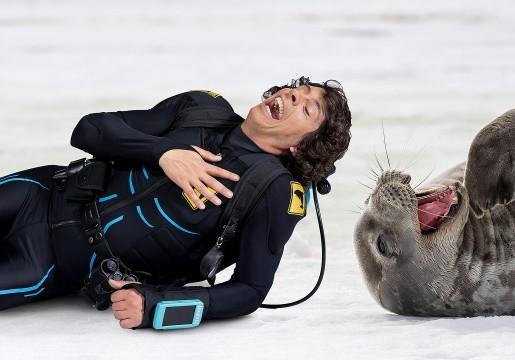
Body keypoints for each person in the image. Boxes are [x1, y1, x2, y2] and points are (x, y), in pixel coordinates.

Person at [0, 76, 352, 329]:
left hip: (53, 264)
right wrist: (164, 152)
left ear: (301, 147)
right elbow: (89, 129)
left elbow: (250, 291)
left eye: (307, 109)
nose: (291, 96)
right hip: (40, 192)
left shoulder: (273, 192)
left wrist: (154, 307)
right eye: (298, 90)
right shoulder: (201, 108)